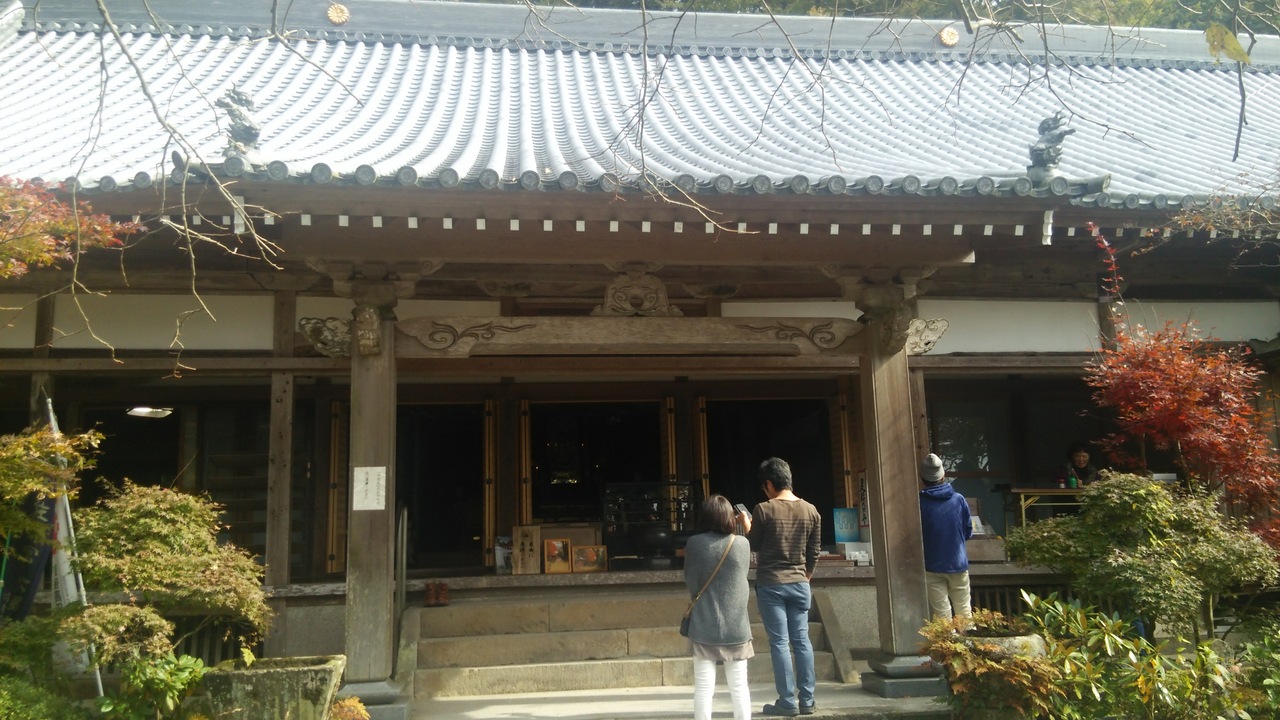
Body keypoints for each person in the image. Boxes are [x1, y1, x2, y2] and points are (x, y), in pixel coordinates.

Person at [742, 457, 821, 717]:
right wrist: (806, 576)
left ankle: (787, 701)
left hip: (771, 584)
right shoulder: (811, 510)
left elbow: (753, 544)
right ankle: (807, 700)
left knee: (779, 642)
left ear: (769, 484)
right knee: (802, 641)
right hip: (800, 583)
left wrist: (746, 525)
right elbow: (814, 550)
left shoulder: (763, 510)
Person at [684, 495, 755, 720]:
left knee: (704, 688)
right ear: (729, 517)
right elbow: (742, 578)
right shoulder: (742, 544)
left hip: (703, 622)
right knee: (739, 687)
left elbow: (691, 580)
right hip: (736, 625)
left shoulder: (694, 544)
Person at [918, 453, 973, 620]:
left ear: (922, 478)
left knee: (942, 615)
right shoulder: (959, 500)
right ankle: (967, 637)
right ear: (943, 476)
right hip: (957, 562)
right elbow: (968, 530)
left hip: (931, 564)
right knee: (964, 611)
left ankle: (947, 638)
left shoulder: (918, 502)